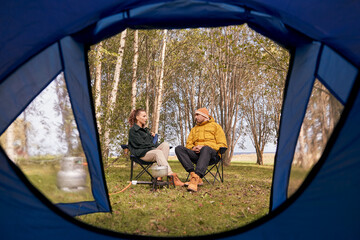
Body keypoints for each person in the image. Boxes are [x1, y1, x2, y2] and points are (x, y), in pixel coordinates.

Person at [175, 108, 227, 192]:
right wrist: (193, 148)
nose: (195, 117)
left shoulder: (216, 126)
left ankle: (195, 179)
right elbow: (188, 144)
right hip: (197, 156)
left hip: (212, 156)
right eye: (195, 115)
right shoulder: (194, 129)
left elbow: (222, 144)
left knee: (206, 148)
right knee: (179, 148)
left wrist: (203, 146)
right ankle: (194, 176)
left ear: (204, 116)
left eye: (197, 115)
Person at [128, 109, 184, 186]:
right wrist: (152, 144)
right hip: (141, 154)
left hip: (150, 152)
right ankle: (171, 176)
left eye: (146, 116)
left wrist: (152, 137)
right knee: (158, 152)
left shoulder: (146, 131)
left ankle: (159, 176)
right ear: (137, 118)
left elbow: (152, 144)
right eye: (144, 116)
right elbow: (140, 145)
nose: (146, 118)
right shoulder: (133, 131)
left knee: (165, 144)